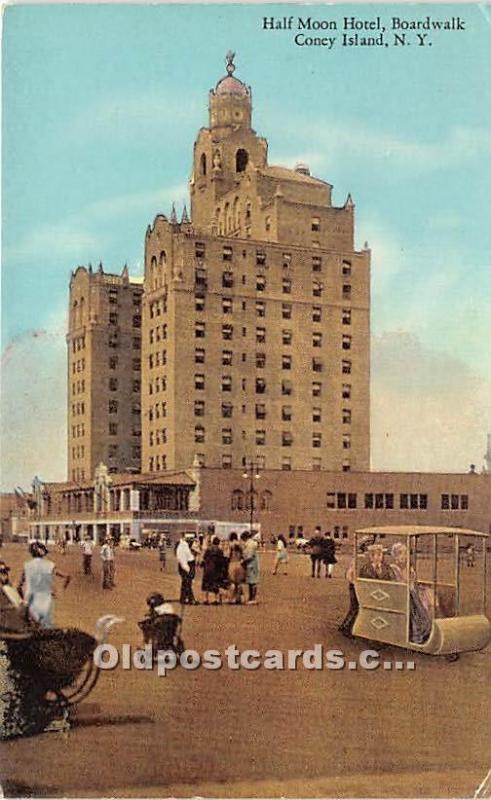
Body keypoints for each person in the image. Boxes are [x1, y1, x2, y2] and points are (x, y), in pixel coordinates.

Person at [0, 560, 70, 739]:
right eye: (1, 572)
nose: (4, 576)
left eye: (5, 572)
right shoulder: (6, 593)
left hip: (19, 639)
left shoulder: (10, 591)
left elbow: (25, 614)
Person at [18, 542, 70, 628]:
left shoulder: (27, 565)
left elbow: (19, 585)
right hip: (46, 599)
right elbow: (67, 576)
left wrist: (22, 598)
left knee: (31, 627)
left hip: (31, 599)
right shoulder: (50, 565)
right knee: (46, 627)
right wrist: (61, 590)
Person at [390, 542, 433, 644]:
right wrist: (409, 582)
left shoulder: (409, 566)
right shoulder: (394, 568)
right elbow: (398, 583)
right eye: (400, 553)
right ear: (395, 555)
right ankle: (417, 634)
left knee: (429, 596)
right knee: (415, 605)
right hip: (401, 593)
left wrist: (413, 582)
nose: (403, 556)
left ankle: (429, 628)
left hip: (412, 589)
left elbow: (413, 580)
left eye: (405, 553)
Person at [201, 537, 228, 604]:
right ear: (218, 543)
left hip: (207, 568)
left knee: (206, 584)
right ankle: (215, 599)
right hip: (215, 569)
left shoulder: (208, 549)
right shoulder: (219, 551)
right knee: (215, 584)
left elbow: (204, 558)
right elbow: (221, 561)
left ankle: (206, 599)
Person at [176, 533, 199, 605]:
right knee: (188, 584)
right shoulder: (183, 547)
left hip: (186, 566)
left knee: (185, 583)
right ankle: (191, 599)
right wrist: (188, 570)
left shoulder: (185, 546)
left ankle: (183, 598)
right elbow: (183, 560)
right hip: (186, 567)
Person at [338, 559, 358, 639]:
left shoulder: (355, 561)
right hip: (354, 587)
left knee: (353, 608)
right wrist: (354, 582)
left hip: (355, 586)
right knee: (354, 608)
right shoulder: (355, 562)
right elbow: (349, 575)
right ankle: (347, 628)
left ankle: (344, 626)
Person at [241, 531, 259, 605]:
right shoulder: (250, 543)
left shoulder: (250, 544)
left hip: (251, 564)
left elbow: (249, 556)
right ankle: (251, 597)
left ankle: (253, 598)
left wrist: (243, 562)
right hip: (251, 564)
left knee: (252, 582)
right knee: (250, 582)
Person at [227, 532, 245, 604]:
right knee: (239, 583)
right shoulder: (240, 545)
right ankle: (239, 598)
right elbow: (243, 555)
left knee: (232, 583)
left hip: (232, 563)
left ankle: (232, 599)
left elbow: (228, 555)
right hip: (239, 564)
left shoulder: (230, 545)